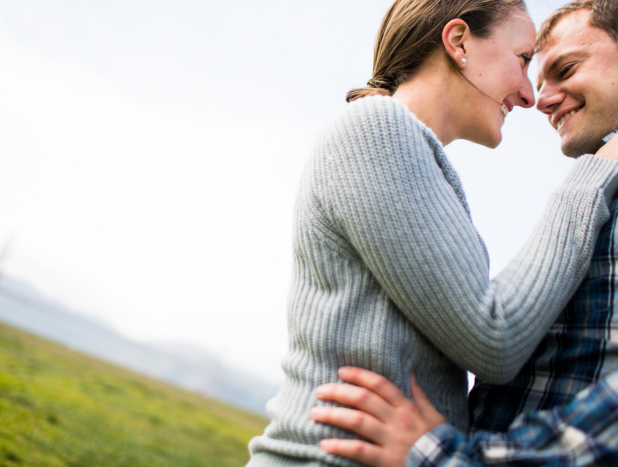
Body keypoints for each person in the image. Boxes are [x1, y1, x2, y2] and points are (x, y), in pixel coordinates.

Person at [247, 0, 618, 466]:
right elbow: (494, 337)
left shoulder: (421, 161)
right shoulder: (375, 128)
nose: (530, 96)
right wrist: (593, 177)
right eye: (524, 61)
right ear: (459, 42)